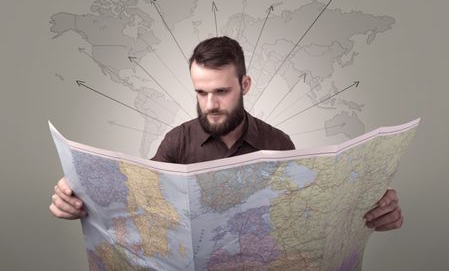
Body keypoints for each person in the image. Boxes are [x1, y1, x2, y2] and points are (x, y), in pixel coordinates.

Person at [49, 36, 403, 231]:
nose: (210, 104)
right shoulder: (177, 141)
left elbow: (307, 215)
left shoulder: (278, 144)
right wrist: (79, 199)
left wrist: (369, 206)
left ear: (244, 84)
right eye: (201, 93)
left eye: (221, 91)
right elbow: (140, 204)